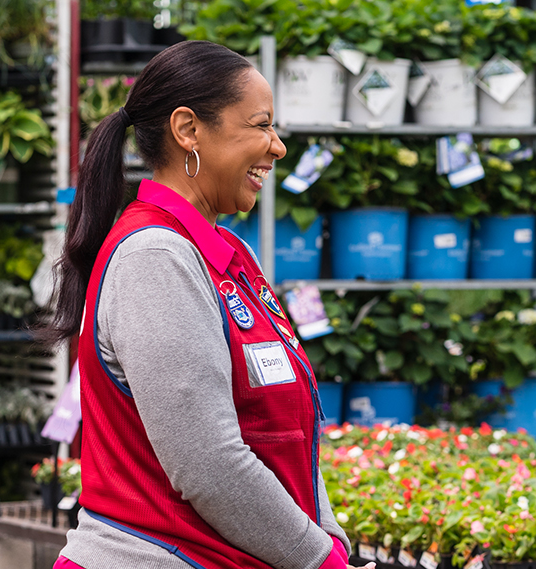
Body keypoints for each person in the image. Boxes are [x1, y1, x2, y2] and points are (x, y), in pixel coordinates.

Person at [41, 41, 365, 569]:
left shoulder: (228, 256)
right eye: (260, 125)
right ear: (188, 129)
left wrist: (328, 541)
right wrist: (319, 560)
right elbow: (209, 463)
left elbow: (284, 434)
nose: (277, 147)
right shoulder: (156, 258)